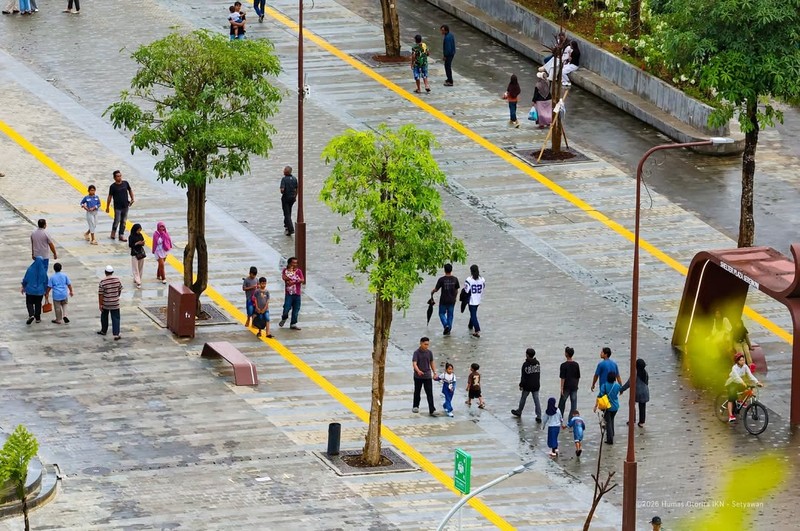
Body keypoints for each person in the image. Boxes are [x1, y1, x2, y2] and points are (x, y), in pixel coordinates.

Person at [725, 352, 763, 422]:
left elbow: (750, 375)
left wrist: (757, 382)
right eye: (741, 360)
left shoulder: (745, 366)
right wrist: (742, 382)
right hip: (732, 383)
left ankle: (740, 401)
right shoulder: (734, 368)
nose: (743, 361)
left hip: (740, 383)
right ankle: (730, 415)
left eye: (743, 360)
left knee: (748, 391)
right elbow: (736, 377)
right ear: (737, 361)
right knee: (731, 398)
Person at [511, 347, 541, 422]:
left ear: (527, 355)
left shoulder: (525, 364)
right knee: (536, 400)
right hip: (536, 384)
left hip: (527, 385)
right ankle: (539, 415)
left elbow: (523, 377)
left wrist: (521, 385)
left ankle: (519, 411)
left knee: (523, 398)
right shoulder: (537, 363)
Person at [106, 170, 135, 241]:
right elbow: (109, 197)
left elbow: (130, 190)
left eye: (120, 176)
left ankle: (121, 235)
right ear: (114, 178)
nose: (119, 177)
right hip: (117, 207)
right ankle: (113, 233)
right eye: (118, 176)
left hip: (125, 206)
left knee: (124, 221)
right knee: (117, 220)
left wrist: (132, 198)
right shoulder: (113, 186)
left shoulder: (125, 183)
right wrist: (107, 207)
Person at [431, 263, 459, 335]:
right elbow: (456, 290)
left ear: (444, 270)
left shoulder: (441, 279)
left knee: (441, 313)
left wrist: (432, 292)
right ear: (451, 270)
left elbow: (436, 289)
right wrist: (455, 298)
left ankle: (446, 325)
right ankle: (448, 329)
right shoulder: (455, 279)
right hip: (452, 300)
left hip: (443, 300)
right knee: (450, 315)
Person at [620, 358, 650, 427]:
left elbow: (628, 383)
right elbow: (647, 382)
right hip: (645, 392)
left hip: (637, 392)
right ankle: (641, 422)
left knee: (631, 403)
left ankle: (632, 419)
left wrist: (621, 389)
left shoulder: (635, 373)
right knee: (642, 406)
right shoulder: (645, 373)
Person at [412, 337, 437, 416]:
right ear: (421, 343)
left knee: (429, 393)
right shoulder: (416, 353)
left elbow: (431, 362)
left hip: (427, 376)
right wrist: (418, 371)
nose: (426, 346)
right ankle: (416, 406)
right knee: (417, 391)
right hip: (418, 376)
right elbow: (414, 363)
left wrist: (434, 372)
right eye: (425, 344)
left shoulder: (429, 352)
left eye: (427, 344)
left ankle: (432, 409)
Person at [98, 265, 123, 340]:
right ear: (112, 272)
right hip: (115, 302)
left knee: (104, 316)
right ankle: (116, 334)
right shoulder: (117, 280)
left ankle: (103, 330)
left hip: (106, 302)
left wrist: (100, 304)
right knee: (116, 318)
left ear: (105, 272)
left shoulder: (103, 281)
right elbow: (120, 289)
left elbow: (100, 294)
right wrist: (117, 296)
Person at [595, 372, 621, 444]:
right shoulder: (617, 385)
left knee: (608, 422)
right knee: (611, 419)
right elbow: (621, 390)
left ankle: (610, 439)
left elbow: (600, 395)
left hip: (607, 407)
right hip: (615, 406)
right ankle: (612, 434)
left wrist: (595, 405)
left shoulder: (604, 385)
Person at [279, 256, 304, 330]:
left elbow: (302, 279)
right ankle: (284, 317)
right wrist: (291, 278)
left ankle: (293, 323)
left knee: (296, 309)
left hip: (297, 294)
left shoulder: (299, 271)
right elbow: (284, 277)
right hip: (289, 294)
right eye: (293, 263)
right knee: (286, 307)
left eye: (296, 263)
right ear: (289, 263)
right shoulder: (285, 271)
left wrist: (295, 281)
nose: (295, 264)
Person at [21, 257, 48, 325]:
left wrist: (23, 287)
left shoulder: (30, 269)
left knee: (29, 303)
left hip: (30, 290)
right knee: (38, 303)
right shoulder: (43, 271)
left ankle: (31, 314)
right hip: (40, 291)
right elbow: (46, 282)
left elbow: (25, 279)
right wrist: (45, 291)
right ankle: (38, 318)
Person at [464, 264, 485, 338]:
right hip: (478, 299)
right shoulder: (482, 279)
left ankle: (477, 330)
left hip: (471, 300)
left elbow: (466, 290)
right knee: (473, 313)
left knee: (473, 315)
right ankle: (470, 325)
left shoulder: (469, 280)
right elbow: (483, 287)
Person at [558, 346, 580, 417]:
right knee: (573, 404)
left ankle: (560, 417)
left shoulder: (563, 365)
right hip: (574, 386)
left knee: (562, 403)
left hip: (566, 386)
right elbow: (578, 376)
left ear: (566, 354)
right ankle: (571, 419)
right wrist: (576, 385)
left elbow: (562, 378)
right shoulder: (576, 364)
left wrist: (561, 388)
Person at [280, 166, 298, 236]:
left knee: (286, 213)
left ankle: (291, 229)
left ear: (286, 172)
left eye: (284, 170)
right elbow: (297, 188)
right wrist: (295, 196)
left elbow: (282, 190)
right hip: (292, 198)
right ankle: (286, 225)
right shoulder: (294, 179)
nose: (283, 171)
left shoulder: (284, 179)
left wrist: (282, 191)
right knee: (289, 211)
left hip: (286, 198)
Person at [128, 223, 146, 288]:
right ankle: (138, 282)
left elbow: (143, 242)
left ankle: (138, 279)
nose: (139, 231)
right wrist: (136, 243)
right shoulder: (131, 236)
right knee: (135, 268)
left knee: (140, 267)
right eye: (138, 230)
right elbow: (130, 245)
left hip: (140, 253)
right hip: (134, 254)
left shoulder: (140, 235)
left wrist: (142, 243)